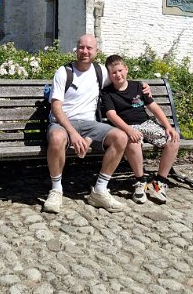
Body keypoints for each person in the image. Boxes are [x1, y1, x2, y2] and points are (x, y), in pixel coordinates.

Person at [44, 34, 146, 214]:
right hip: (63, 123)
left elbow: (120, 78)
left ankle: (99, 190)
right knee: (57, 137)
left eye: (89, 48)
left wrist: (143, 85)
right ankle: (56, 189)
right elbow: (56, 106)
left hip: (90, 124)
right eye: (81, 47)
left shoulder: (101, 71)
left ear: (96, 52)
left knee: (120, 137)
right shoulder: (64, 72)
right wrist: (73, 134)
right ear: (76, 49)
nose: (85, 51)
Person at [101, 55, 180, 205]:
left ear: (126, 69)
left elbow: (153, 107)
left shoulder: (138, 87)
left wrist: (169, 127)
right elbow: (111, 115)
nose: (118, 75)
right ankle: (140, 181)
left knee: (173, 140)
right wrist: (129, 130)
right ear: (109, 74)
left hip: (145, 123)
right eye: (114, 73)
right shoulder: (107, 93)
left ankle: (159, 182)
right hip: (126, 126)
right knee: (133, 141)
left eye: (120, 70)